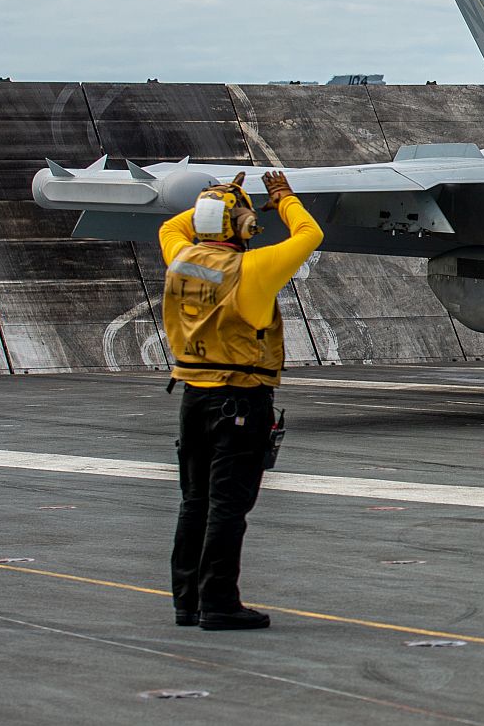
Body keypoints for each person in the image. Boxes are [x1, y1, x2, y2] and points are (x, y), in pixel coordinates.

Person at [161, 171, 321, 630]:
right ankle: (219, 603)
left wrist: (215, 202)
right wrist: (283, 198)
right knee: (229, 506)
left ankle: (186, 602)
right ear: (245, 227)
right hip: (241, 402)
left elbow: (171, 228)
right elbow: (311, 233)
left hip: (194, 398)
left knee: (194, 502)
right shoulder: (251, 270)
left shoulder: (181, 258)